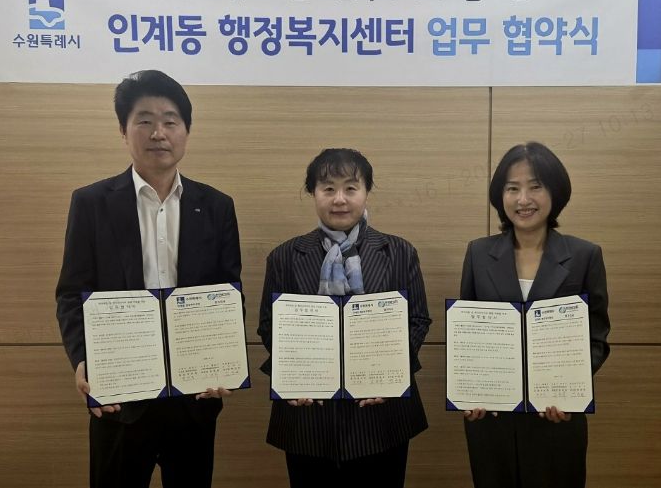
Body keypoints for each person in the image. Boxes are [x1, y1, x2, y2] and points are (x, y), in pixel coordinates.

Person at [55, 69, 242, 488]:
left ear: (186, 131)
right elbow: (71, 293)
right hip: (119, 394)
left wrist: (223, 361)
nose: (159, 132)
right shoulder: (91, 203)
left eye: (170, 121)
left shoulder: (216, 206)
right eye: (144, 120)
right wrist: (83, 359)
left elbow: (228, 292)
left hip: (193, 397)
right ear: (124, 130)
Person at [257, 148, 431, 488]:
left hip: (382, 418)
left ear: (366, 192)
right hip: (308, 418)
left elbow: (418, 320)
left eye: (351, 188)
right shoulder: (285, 256)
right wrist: (292, 378)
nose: (339, 199)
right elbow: (269, 325)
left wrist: (390, 374)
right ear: (313, 193)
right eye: (328, 188)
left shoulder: (399, 251)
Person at [460, 142, 610, 488]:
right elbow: (466, 334)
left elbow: (596, 338)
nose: (523, 199)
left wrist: (568, 389)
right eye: (512, 188)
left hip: (557, 416)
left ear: (555, 191)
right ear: (500, 195)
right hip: (492, 420)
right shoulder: (479, 253)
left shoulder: (584, 255)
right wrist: (469, 392)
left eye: (535, 186)